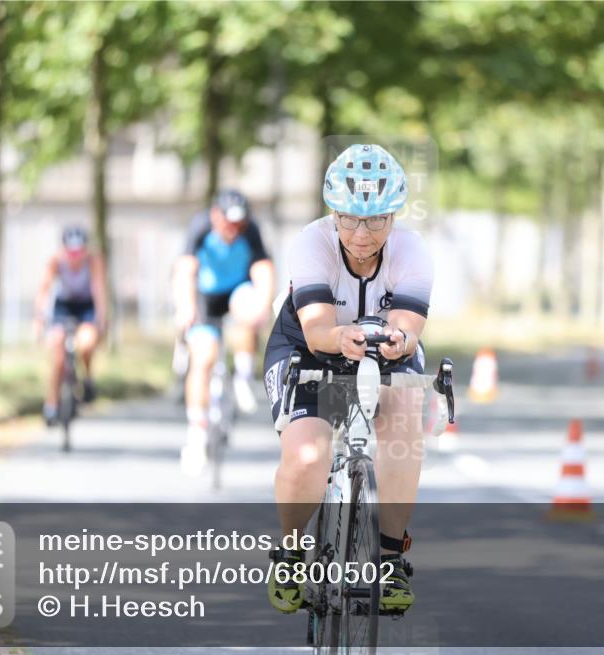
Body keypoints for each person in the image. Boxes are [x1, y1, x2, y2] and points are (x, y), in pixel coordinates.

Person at [263, 144, 432, 615]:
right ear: (332, 214)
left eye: (376, 220)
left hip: (382, 348)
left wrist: (397, 340)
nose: (362, 233)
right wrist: (341, 337)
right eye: (350, 219)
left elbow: (407, 326)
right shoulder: (310, 243)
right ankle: (292, 551)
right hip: (309, 345)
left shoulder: (412, 251)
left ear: (394, 216)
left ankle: (391, 559)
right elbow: (317, 330)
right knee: (308, 456)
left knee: (403, 428)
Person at [172, 189, 275, 474]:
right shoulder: (200, 226)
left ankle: (243, 376)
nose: (234, 229)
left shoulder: (250, 230)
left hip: (236, 290)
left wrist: (263, 307)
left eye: (239, 224)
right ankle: (197, 432)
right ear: (215, 215)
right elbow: (184, 270)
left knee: (248, 314)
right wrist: (186, 307)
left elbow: (263, 269)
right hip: (205, 296)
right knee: (203, 359)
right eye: (229, 223)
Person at [34, 226, 107, 426]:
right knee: (57, 352)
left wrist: (101, 318)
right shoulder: (56, 261)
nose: (75, 257)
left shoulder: (93, 261)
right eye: (71, 252)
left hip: (86, 307)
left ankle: (87, 378)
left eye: (79, 251)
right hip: (64, 306)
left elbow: (99, 290)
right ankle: (51, 405)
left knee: (86, 343)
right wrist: (39, 319)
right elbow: (43, 290)